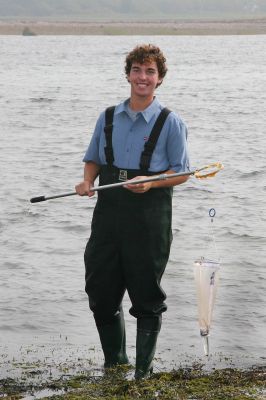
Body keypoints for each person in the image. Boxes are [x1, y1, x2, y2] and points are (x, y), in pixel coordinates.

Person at [75, 44, 190, 379]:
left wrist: (151, 183)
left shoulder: (171, 122)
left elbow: (182, 172)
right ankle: (116, 364)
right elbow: (93, 158)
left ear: (160, 79)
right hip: (108, 213)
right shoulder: (108, 117)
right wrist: (86, 181)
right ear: (128, 74)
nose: (143, 77)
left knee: (146, 294)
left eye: (150, 71)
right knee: (100, 289)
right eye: (137, 70)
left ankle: (142, 372)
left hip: (150, 215)